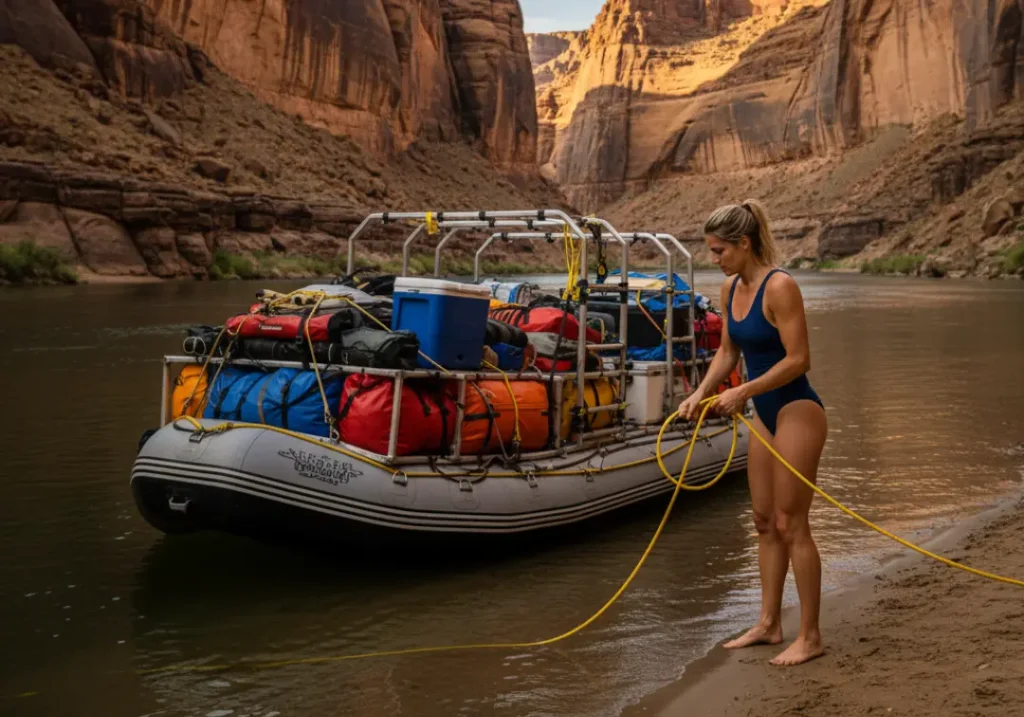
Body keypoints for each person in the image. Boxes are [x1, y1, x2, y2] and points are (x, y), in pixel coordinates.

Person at [678, 199, 828, 666]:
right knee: (763, 521)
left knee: (791, 523)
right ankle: (768, 623)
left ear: (744, 244)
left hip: (797, 409)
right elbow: (727, 352)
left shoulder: (780, 286)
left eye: (720, 250)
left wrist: (742, 392)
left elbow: (799, 359)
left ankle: (810, 635)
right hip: (762, 410)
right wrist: (699, 392)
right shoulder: (728, 289)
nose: (714, 258)